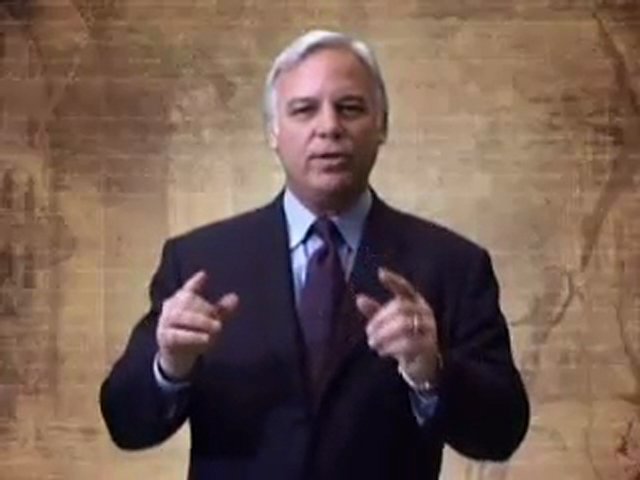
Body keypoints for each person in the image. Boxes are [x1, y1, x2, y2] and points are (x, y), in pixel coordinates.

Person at [99, 29, 529, 480]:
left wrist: (431, 372)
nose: (329, 127)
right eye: (304, 110)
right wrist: (170, 367)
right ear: (273, 131)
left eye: (350, 108)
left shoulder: (451, 265)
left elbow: (502, 433)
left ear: (382, 125)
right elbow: (125, 425)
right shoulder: (199, 263)